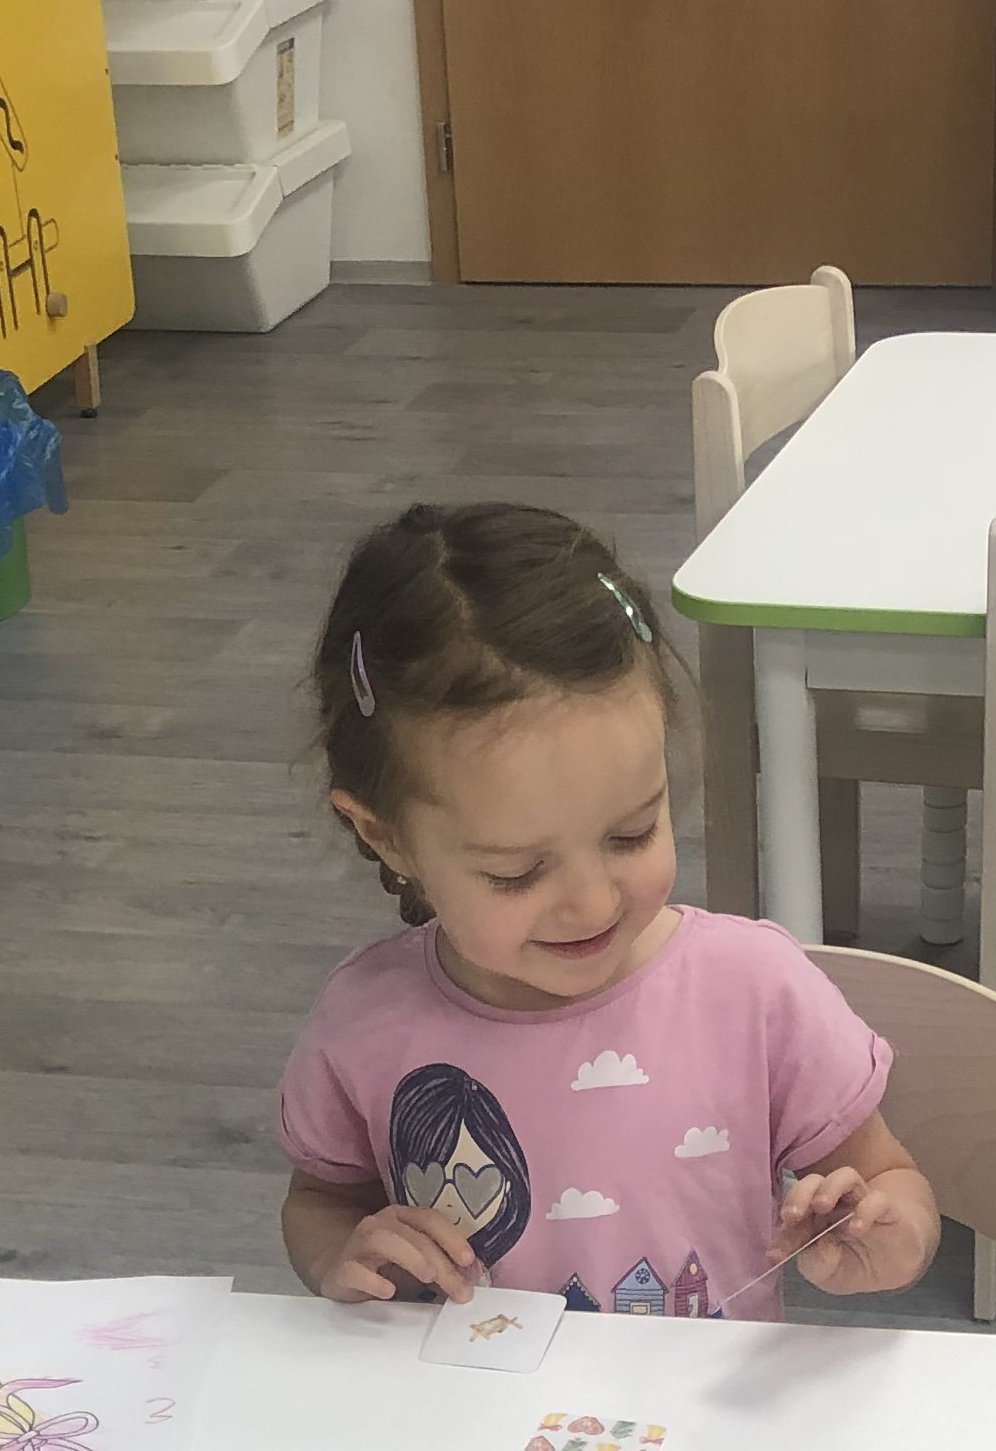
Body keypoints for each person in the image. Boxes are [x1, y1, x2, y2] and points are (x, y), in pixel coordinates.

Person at [275, 501, 940, 1320]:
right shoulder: (364, 1020)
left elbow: (891, 1178)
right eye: (516, 872)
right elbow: (321, 1198)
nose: (591, 902)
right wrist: (339, 1255)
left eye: (632, 834)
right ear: (386, 837)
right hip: (458, 1399)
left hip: (695, 1403)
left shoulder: (753, 990)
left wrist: (887, 1234)